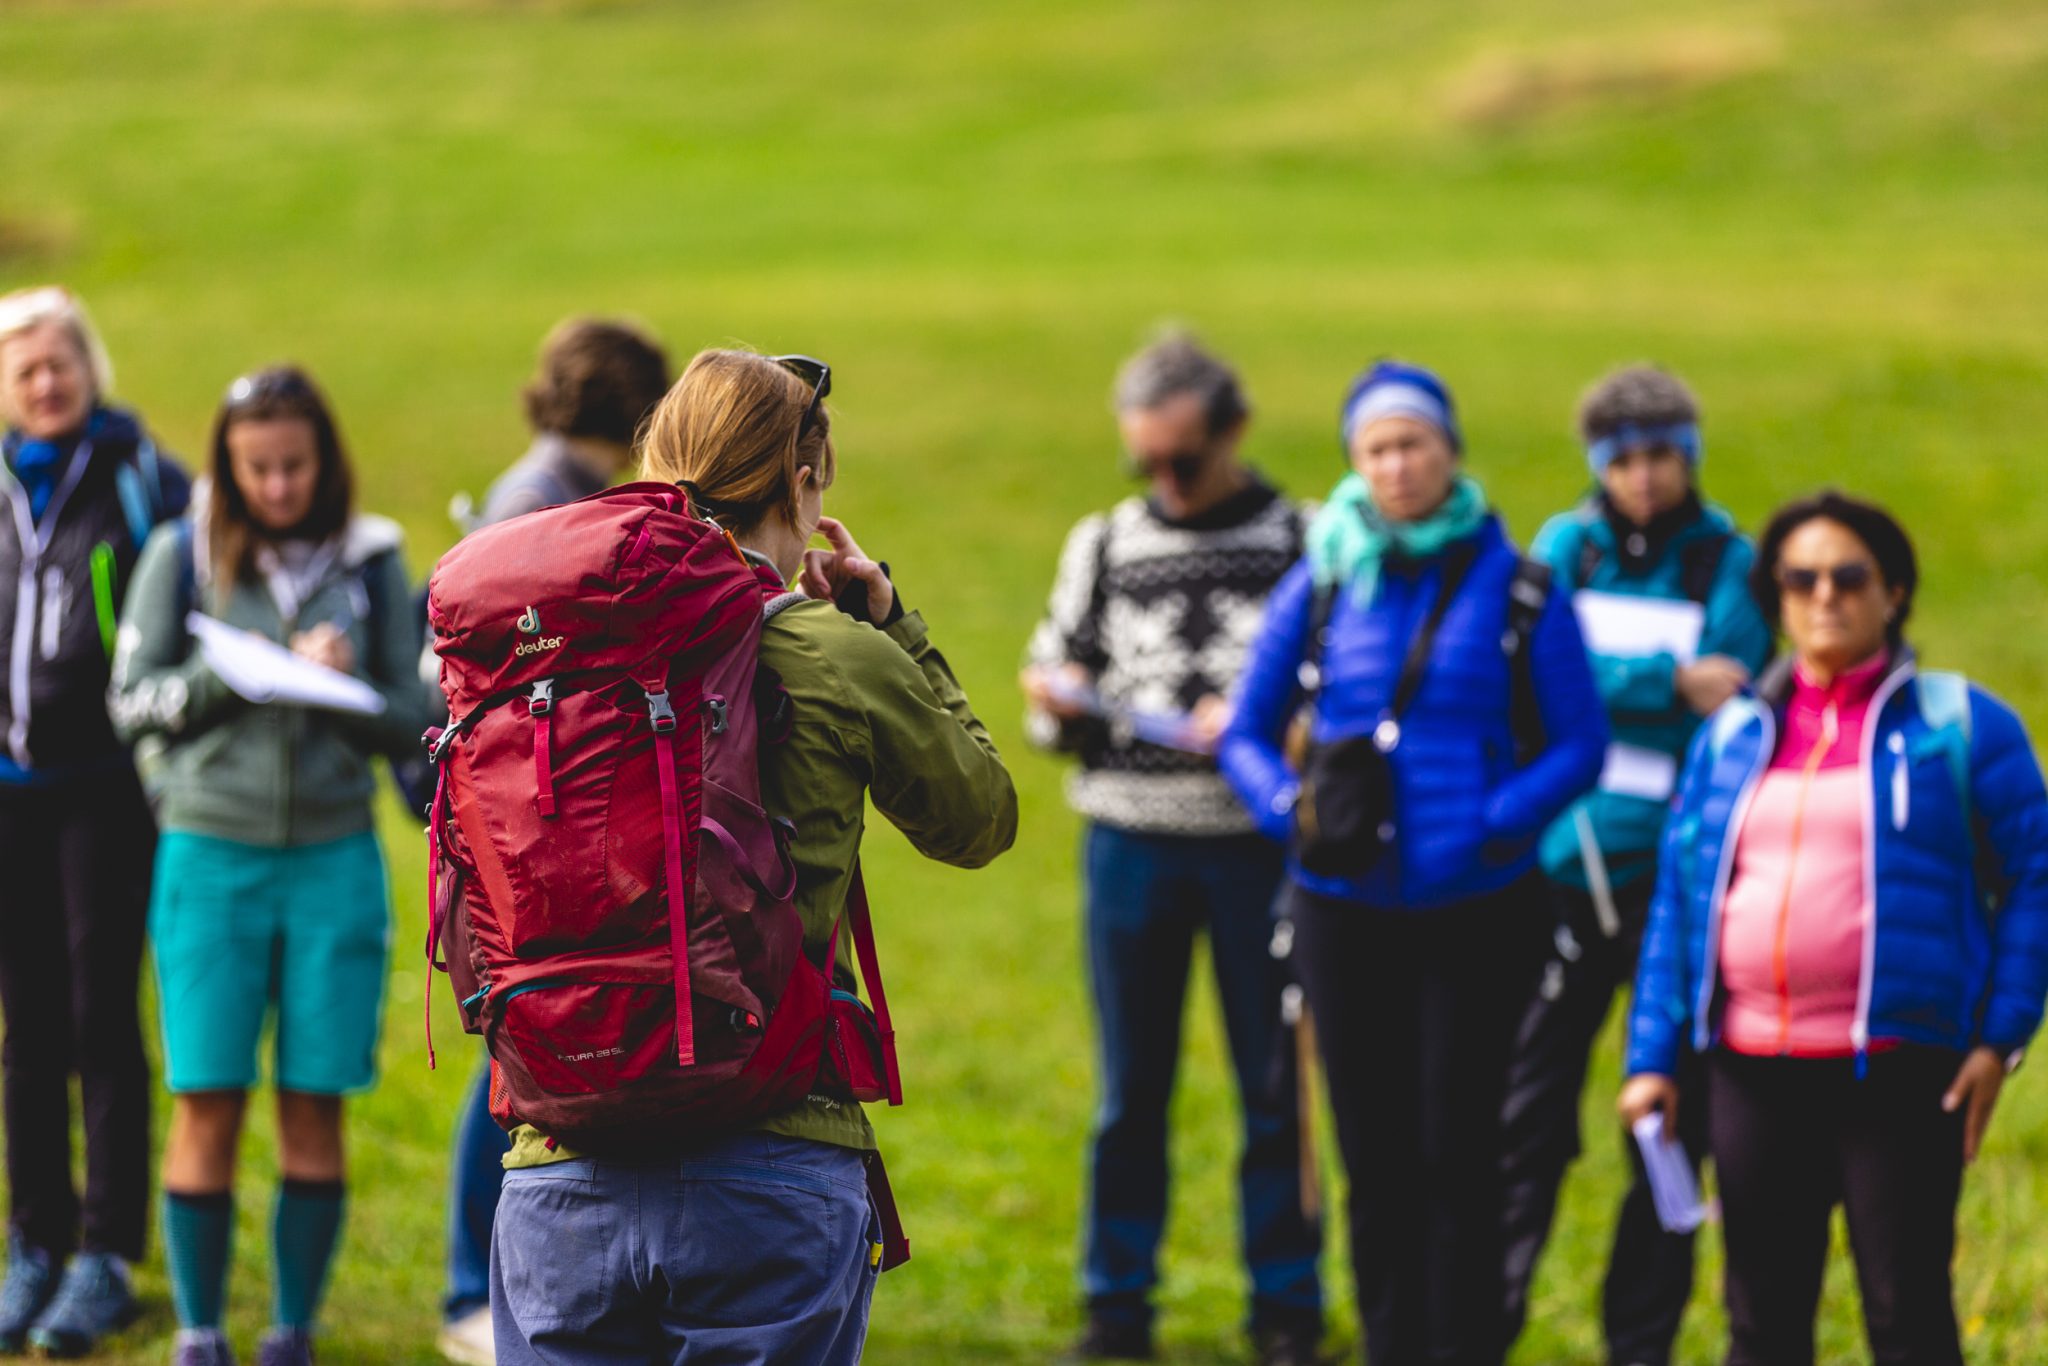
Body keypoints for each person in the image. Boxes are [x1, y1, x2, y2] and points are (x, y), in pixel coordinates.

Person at [486, 349, 1017, 1364]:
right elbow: (977, 817)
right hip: (770, 1157)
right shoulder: (827, 647)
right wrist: (889, 625)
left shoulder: (547, 641)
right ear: (804, 480)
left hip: (557, 1163)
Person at [1221, 360, 1607, 1366]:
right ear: (1355, 463)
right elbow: (1244, 730)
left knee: (1460, 1152)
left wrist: (1497, 821)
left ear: (1448, 452)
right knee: (1372, 1157)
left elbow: (1578, 742)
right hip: (1341, 908)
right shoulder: (1322, 579)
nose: (1395, 466)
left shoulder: (1520, 586)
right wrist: (1285, 812)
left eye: (1412, 444)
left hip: (1475, 906)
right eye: (1375, 449)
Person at [1620, 490, 2048, 1366]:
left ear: (1893, 591)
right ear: (1775, 595)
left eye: (1849, 577)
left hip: (1899, 1072)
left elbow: (2037, 877)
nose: (1825, 597)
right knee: (1762, 1321)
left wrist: (2000, 1036)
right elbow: (1679, 898)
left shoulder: (1960, 724)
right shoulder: (1734, 733)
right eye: (1800, 578)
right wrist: (1652, 1058)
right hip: (1750, 1072)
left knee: (1906, 1313)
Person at [109, 365, 436, 1366]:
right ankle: (202, 1331)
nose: (280, 487)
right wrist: (230, 677)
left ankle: (292, 1327)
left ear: (325, 461)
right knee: (206, 1089)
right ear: (227, 465)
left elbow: (417, 719)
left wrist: (338, 689)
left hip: (333, 858)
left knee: (314, 1094)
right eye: (259, 469)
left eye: (295, 466)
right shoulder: (182, 552)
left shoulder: (373, 559)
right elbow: (133, 699)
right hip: (211, 856)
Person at [1021, 332, 1323, 1365]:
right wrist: (1053, 702)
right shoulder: (1100, 542)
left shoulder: (1307, 540)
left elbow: (1343, 697)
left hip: (1261, 852)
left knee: (1276, 1085)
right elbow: (1051, 684)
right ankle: (1116, 1308)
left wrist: (1278, 728)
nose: (1163, 481)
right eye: (1143, 461)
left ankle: (1285, 1308)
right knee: (1126, 1092)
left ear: (1234, 431)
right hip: (1128, 847)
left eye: (1181, 459)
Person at [1498, 365, 1772, 1364]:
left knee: (1663, 1130)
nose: (1643, 477)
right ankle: (1479, 1329)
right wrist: (1661, 679)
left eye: (1660, 454)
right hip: (1556, 882)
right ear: (1596, 466)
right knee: (1521, 1125)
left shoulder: (1728, 562)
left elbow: (1735, 688)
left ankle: (1638, 1343)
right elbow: (1530, 673)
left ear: (1687, 457)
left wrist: (1591, 686)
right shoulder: (1563, 546)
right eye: (1622, 459)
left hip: (1682, 892)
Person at [435, 317, 670, 1366]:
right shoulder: (546, 504)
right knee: (517, 1045)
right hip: (526, 819)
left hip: (521, 812)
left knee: (523, 1038)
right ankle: (467, 1288)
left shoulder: (531, 483)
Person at [0, 286, 189, 1356]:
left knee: (100, 1017)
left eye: (60, 360)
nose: (45, 381)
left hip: (107, 790)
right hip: (7, 791)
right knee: (25, 1029)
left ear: (90, 365)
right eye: (24, 368)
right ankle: (35, 1238)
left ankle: (107, 1253)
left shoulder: (140, 476)